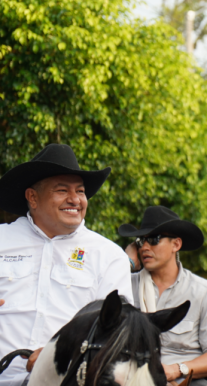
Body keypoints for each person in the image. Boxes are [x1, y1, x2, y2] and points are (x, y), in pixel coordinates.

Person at [0, 144, 133, 386]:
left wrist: (59, 355)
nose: (75, 199)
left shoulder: (108, 256)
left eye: (80, 191)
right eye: (62, 190)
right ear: (32, 197)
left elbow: (118, 334)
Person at [122, 206, 207, 386]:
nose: (144, 247)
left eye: (153, 240)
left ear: (176, 245)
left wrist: (177, 369)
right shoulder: (125, 286)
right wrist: (125, 263)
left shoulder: (205, 292)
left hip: (187, 380)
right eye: (140, 241)